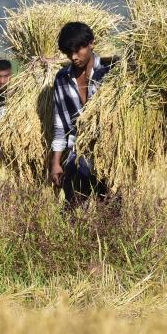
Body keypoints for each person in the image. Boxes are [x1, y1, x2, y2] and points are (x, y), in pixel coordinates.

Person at [50, 22, 116, 208]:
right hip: (76, 156)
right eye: (68, 52)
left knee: (111, 212)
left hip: (109, 155)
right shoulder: (62, 78)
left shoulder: (111, 74)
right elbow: (60, 124)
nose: (73, 57)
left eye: (78, 50)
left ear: (91, 44)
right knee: (73, 212)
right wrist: (56, 162)